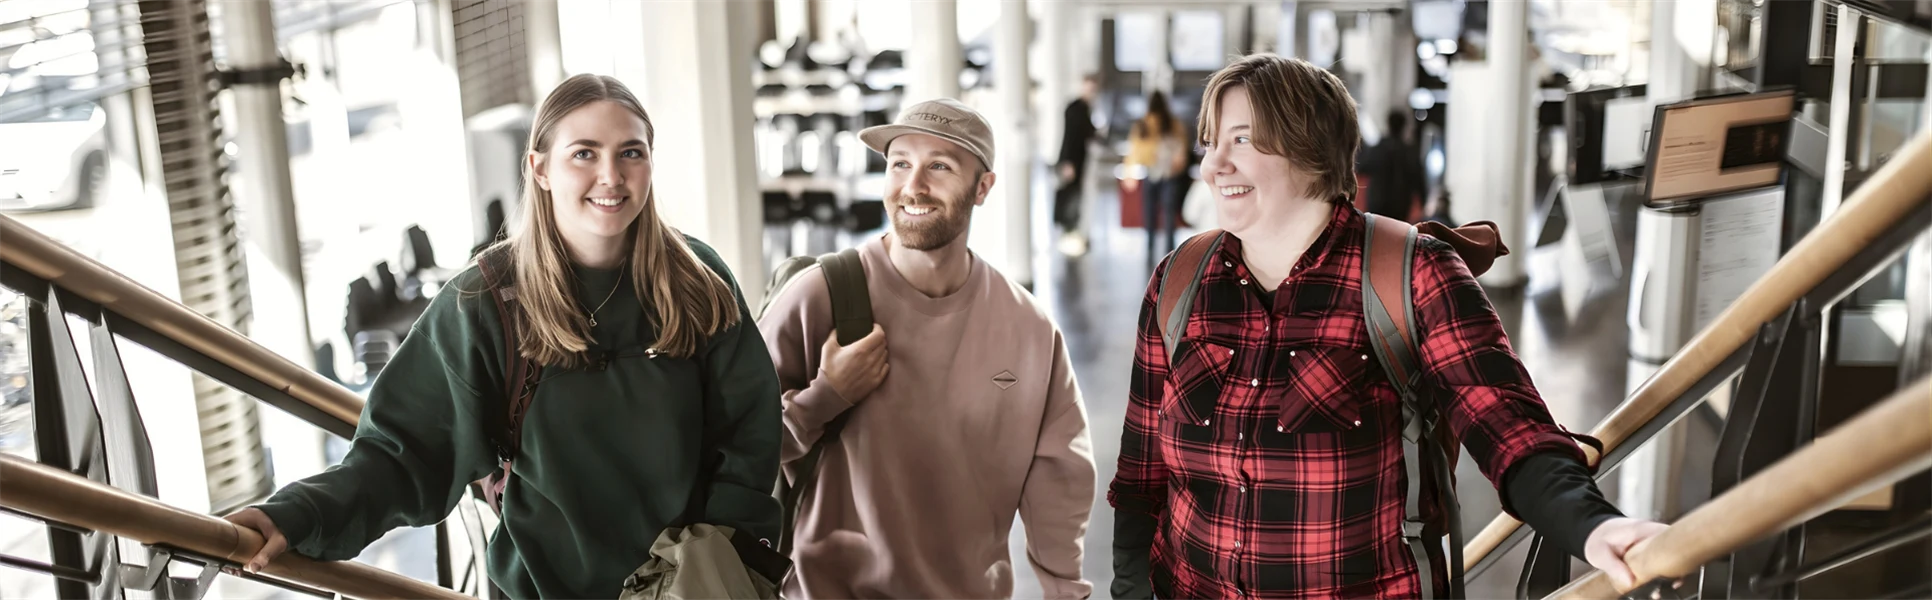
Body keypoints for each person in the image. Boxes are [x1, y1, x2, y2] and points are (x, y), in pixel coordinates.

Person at [1107, 54, 1667, 599]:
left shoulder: (1413, 273)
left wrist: (1595, 527)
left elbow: (1508, 425)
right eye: (1211, 143)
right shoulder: (1181, 280)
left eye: (1243, 140)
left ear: (1309, 148)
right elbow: (1140, 473)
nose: (1213, 166)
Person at [224, 74, 785, 599]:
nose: (611, 176)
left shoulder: (696, 279)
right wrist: (296, 514)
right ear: (540, 169)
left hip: (691, 585)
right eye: (584, 153)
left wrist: (722, 552)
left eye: (630, 153)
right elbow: (403, 452)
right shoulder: (486, 302)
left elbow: (749, 434)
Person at [759, 98, 1096, 599]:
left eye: (939, 166)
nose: (912, 186)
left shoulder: (1028, 328)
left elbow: (1060, 476)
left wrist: (1064, 589)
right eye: (900, 164)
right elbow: (739, 449)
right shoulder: (819, 297)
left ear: (983, 188)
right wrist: (825, 397)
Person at [1126, 90, 1191, 264]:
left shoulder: (1144, 123)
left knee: (1150, 213)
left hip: (1151, 172)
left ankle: (1149, 249)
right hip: (1170, 173)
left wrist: (1129, 172)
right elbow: (1182, 147)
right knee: (1168, 214)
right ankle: (1170, 253)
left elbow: (1134, 149)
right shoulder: (1173, 122)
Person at [1055, 74, 1101, 256]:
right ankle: (1068, 238)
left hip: (1080, 161)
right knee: (1070, 198)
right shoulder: (1074, 109)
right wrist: (1067, 163)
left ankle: (1073, 236)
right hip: (1072, 162)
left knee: (1076, 197)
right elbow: (1069, 137)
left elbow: (1089, 133)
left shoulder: (1085, 108)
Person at [1360, 111, 1425, 222]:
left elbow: (1363, 167)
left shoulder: (1379, 149)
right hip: (1400, 204)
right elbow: (1419, 180)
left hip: (1377, 202)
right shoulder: (1409, 152)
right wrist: (1423, 201)